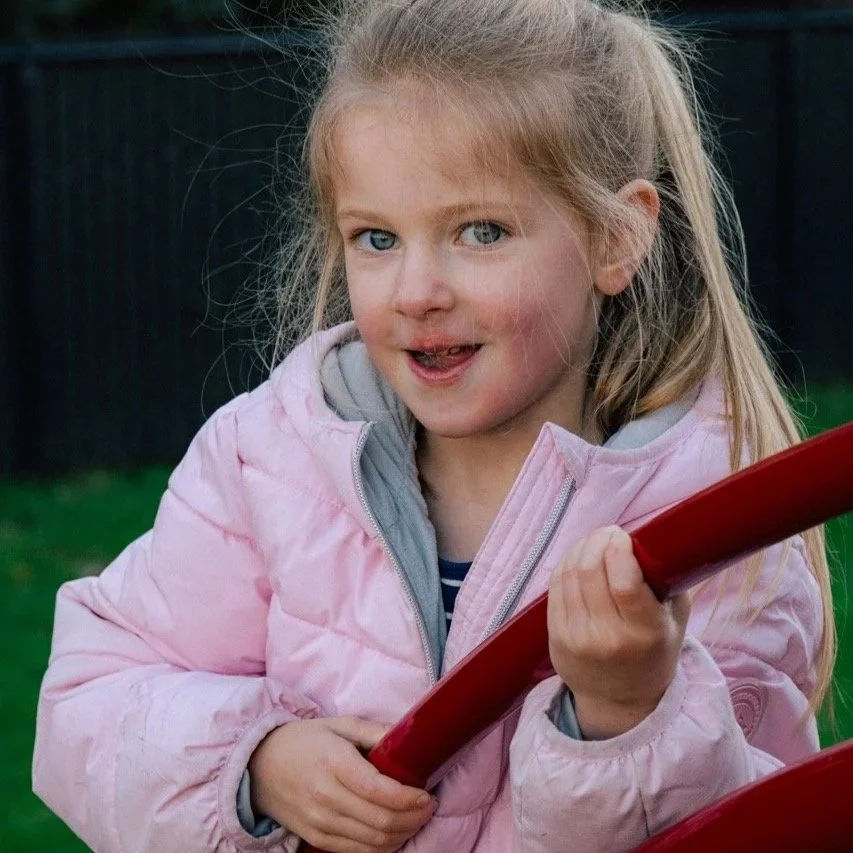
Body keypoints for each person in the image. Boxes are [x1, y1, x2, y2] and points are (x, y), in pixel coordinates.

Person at [33, 1, 834, 852]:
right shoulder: (270, 458)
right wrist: (255, 759)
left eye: (478, 231)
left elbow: (763, 826)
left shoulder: (712, 523)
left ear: (617, 236)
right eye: (376, 238)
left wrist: (628, 711)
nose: (416, 291)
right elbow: (88, 698)